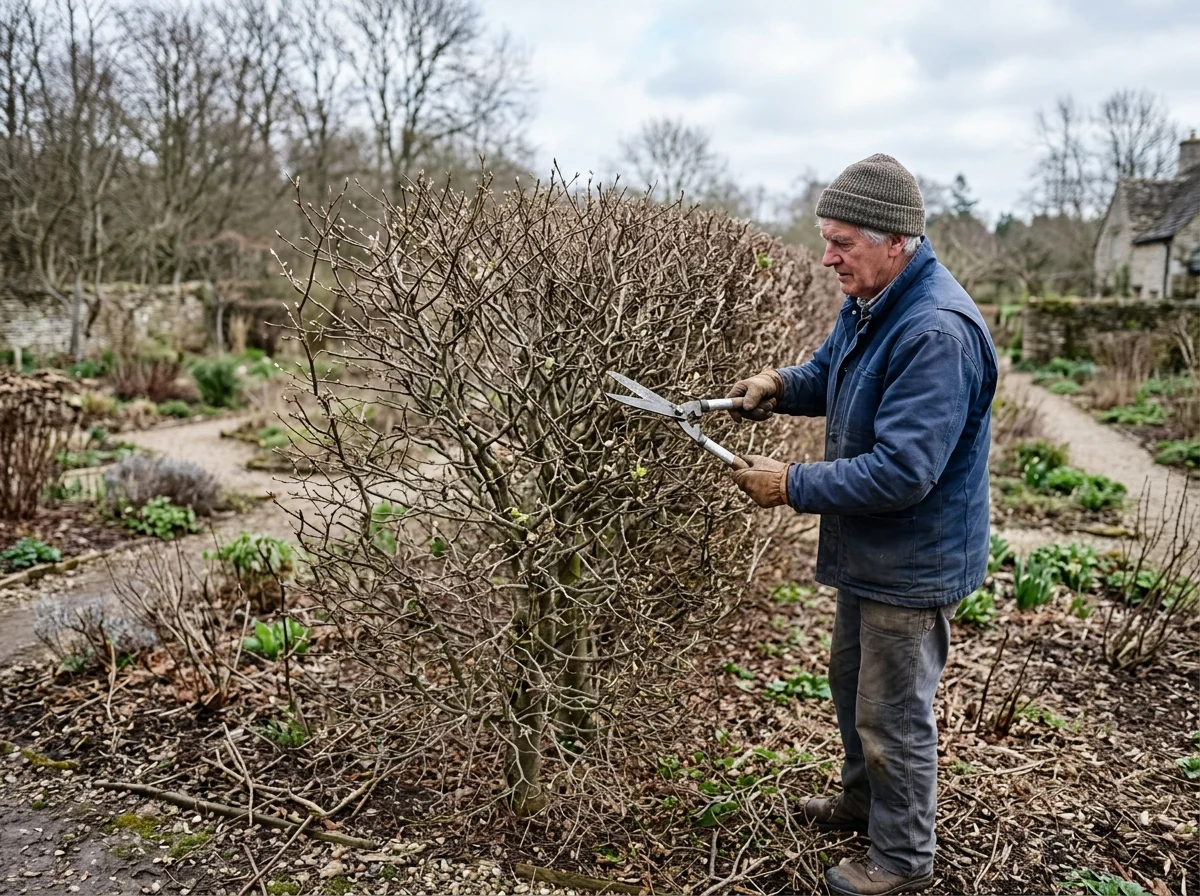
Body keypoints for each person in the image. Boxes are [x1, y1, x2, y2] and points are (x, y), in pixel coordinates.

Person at [726, 153, 998, 896]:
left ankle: (904, 858)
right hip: (874, 547)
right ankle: (862, 804)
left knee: (893, 714)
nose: (828, 258)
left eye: (842, 243)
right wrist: (779, 384)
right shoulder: (875, 299)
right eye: (827, 240)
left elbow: (904, 472)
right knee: (852, 685)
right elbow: (833, 373)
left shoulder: (934, 332)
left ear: (895, 241)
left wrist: (790, 484)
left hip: (913, 560)